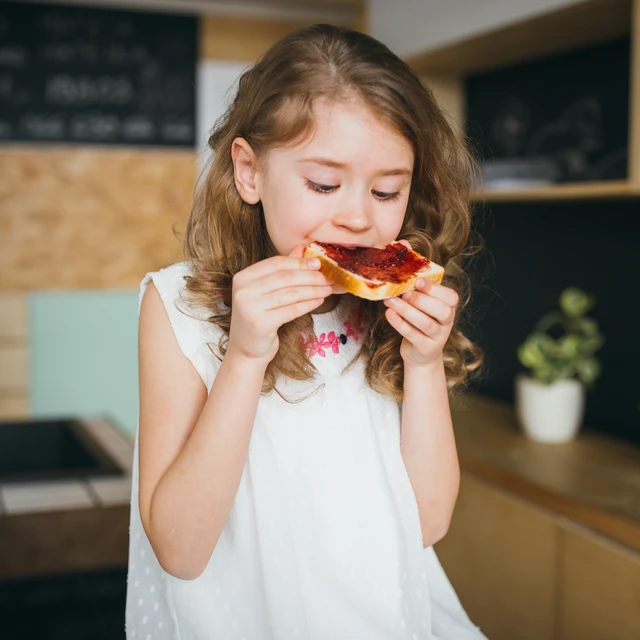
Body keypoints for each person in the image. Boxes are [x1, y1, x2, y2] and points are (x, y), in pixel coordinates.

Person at [126, 23, 486, 640]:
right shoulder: (177, 308)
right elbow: (180, 551)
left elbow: (426, 525)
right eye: (323, 184)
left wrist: (424, 366)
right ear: (250, 172)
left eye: (386, 190)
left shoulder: (390, 306)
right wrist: (243, 358)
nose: (357, 216)